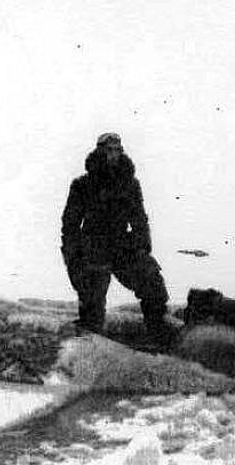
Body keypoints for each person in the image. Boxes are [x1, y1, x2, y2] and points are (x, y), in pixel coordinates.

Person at [60, 132, 171, 339]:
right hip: (93, 248)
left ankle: (158, 333)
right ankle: (89, 339)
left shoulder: (130, 184)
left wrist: (143, 248)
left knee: (151, 280)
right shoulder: (82, 185)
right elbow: (70, 225)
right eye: (109, 150)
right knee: (92, 304)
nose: (114, 154)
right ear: (99, 152)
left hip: (122, 245)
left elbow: (139, 219)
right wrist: (72, 258)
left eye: (118, 149)